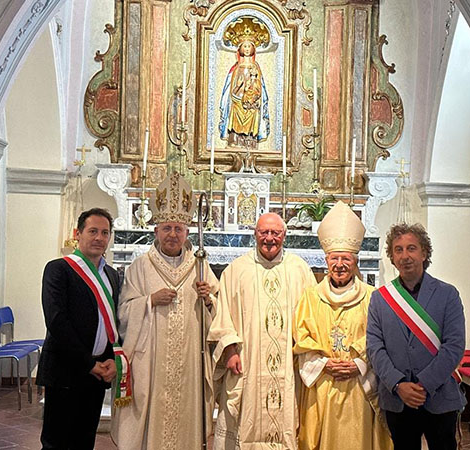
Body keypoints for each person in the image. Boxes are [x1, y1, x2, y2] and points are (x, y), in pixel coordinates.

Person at [111, 172, 219, 450]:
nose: (173, 234)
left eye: (178, 229)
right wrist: (149, 301)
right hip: (152, 361)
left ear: (187, 233)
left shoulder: (200, 266)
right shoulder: (140, 267)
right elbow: (123, 312)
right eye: (167, 228)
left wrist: (209, 300)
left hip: (190, 361)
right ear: (156, 231)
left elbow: (219, 312)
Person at [208, 212, 316, 450]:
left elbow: (312, 315)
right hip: (247, 361)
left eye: (275, 233)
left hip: (289, 364)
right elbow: (223, 314)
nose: (269, 238)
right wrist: (230, 350)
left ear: (284, 235)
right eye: (263, 232)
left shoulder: (300, 270)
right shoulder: (236, 270)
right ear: (255, 234)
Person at [293, 201, 392, 450]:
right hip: (323, 383)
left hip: (359, 385)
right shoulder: (310, 297)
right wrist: (325, 364)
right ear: (326, 261)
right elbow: (302, 340)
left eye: (346, 258)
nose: (339, 264)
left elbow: (381, 339)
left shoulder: (373, 297)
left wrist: (358, 364)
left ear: (355, 262)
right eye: (334, 258)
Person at [366, 223, 466, 450]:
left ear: (424, 253)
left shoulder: (448, 294)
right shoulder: (380, 299)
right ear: (392, 257)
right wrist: (398, 384)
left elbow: (454, 346)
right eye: (398, 250)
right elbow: (374, 347)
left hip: (439, 397)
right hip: (397, 399)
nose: (405, 256)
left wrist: (423, 385)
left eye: (411, 248)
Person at [37, 208, 128, 449]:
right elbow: (57, 321)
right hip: (66, 369)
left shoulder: (112, 275)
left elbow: (114, 321)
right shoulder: (59, 269)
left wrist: (111, 360)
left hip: (97, 373)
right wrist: (88, 363)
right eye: (93, 231)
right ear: (78, 234)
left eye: (105, 233)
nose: (99, 238)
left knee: (84, 441)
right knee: (56, 443)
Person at [219, 17, 270, 149]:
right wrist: (239, 86)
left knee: (252, 118)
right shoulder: (236, 67)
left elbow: (260, 86)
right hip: (237, 101)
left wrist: (254, 95)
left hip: (251, 102)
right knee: (235, 118)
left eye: (249, 46)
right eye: (244, 46)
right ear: (240, 49)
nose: (247, 49)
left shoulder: (255, 67)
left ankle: (249, 141)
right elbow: (231, 87)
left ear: (253, 49)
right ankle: (235, 139)